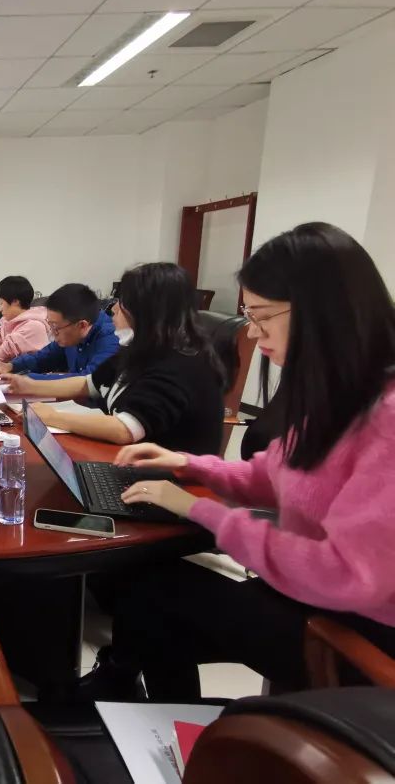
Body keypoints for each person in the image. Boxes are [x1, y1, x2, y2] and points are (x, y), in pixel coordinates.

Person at [81, 222, 395, 701]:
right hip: (310, 594)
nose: (252, 331)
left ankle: (159, 712)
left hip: (353, 629)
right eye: (249, 315)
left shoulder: (386, 417)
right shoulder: (338, 390)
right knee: (146, 597)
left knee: (151, 594)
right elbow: (275, 474)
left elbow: (347, 576)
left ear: (321, 312)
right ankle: (154, 711)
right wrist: (187, 464)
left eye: (262, 316)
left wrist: (200, 510)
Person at [1, 264, 225, 454]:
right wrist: (28, 385)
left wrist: (52, 417)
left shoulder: (179, 363)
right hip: (126, 458)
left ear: (148, 312)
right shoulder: (139, 349)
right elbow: (88, 383)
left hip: (169, 480)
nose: (114, 309)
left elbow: (124, 429)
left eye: (123, 303)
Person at [0, 283, 119, 380]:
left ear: (82, 325)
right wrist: (11, 366)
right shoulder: (68, 334)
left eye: (56, 328)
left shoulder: (111, 339)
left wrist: (27, 380)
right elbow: (42, 358)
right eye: (50, 325)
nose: (52, 333)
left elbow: (87, 381)